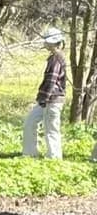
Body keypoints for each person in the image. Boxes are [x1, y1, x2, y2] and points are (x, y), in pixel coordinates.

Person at [22, 26, 67, 159]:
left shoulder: (56, 59)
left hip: (52, 100)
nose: (46, 44)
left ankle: (54, 158)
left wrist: (43, 99)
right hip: (48, 99)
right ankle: (30, 153)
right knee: (30, 123)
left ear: (53, 43)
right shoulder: (54, 57)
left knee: (51, 129)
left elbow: (51, 81)